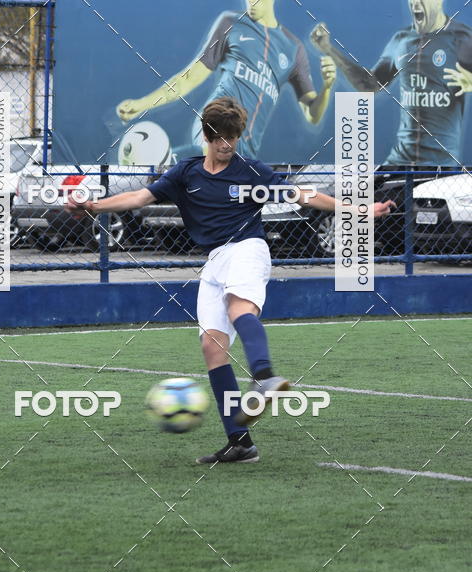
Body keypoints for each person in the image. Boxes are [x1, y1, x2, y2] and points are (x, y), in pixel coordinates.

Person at [67, 97, 395, 465]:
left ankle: (264, 376)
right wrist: (94, 206)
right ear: (206, 135)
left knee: (238, 306)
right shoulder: (185, 173)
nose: (227, 144)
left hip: (248, 249)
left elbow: (304, 194)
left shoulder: (250, 172)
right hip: (214, 262)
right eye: (220, 137)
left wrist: (360, 209)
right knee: (212, 348)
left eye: (233, 137)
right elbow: (139, 196)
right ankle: (240, 443)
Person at [116, 0, 336, 158]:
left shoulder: (293, 48)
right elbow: (188, 79)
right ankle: (163, 166)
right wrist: (142, 105)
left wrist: (326, 87)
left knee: (218, 187)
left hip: (246, 151)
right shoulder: (230, 23)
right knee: (204, 161)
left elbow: (312, 114)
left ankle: (166, 171)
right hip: (211, 128)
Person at [310, 0, 472, 166]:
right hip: (399, 162)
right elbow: (369, 85)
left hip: (439, 167)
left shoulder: (461, 38)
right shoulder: (400, 41)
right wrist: (328, 49)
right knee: (369, 198)